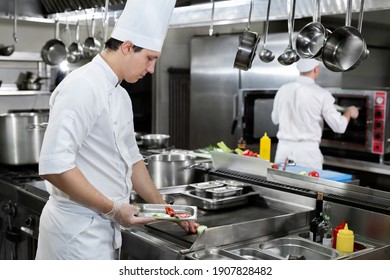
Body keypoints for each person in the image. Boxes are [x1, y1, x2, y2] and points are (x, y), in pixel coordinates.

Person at [36, 0, 198, 260]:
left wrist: (167, 210)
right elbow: (55, 166)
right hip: (74, 236)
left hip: (101, 231)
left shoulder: (121, 95)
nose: (151, 69)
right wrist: (112, 209)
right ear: (127, 47)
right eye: (149, 59)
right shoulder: (82, 86)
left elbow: (133, 162)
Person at [271, 59, 359, 170]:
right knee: (309, 187)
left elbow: (275, 119)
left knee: (281, 185)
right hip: (307, 155)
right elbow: (339, 127)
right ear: (316, 69)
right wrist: (349, 112)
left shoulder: (283, 89)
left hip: (283, 152)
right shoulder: (322, 94)